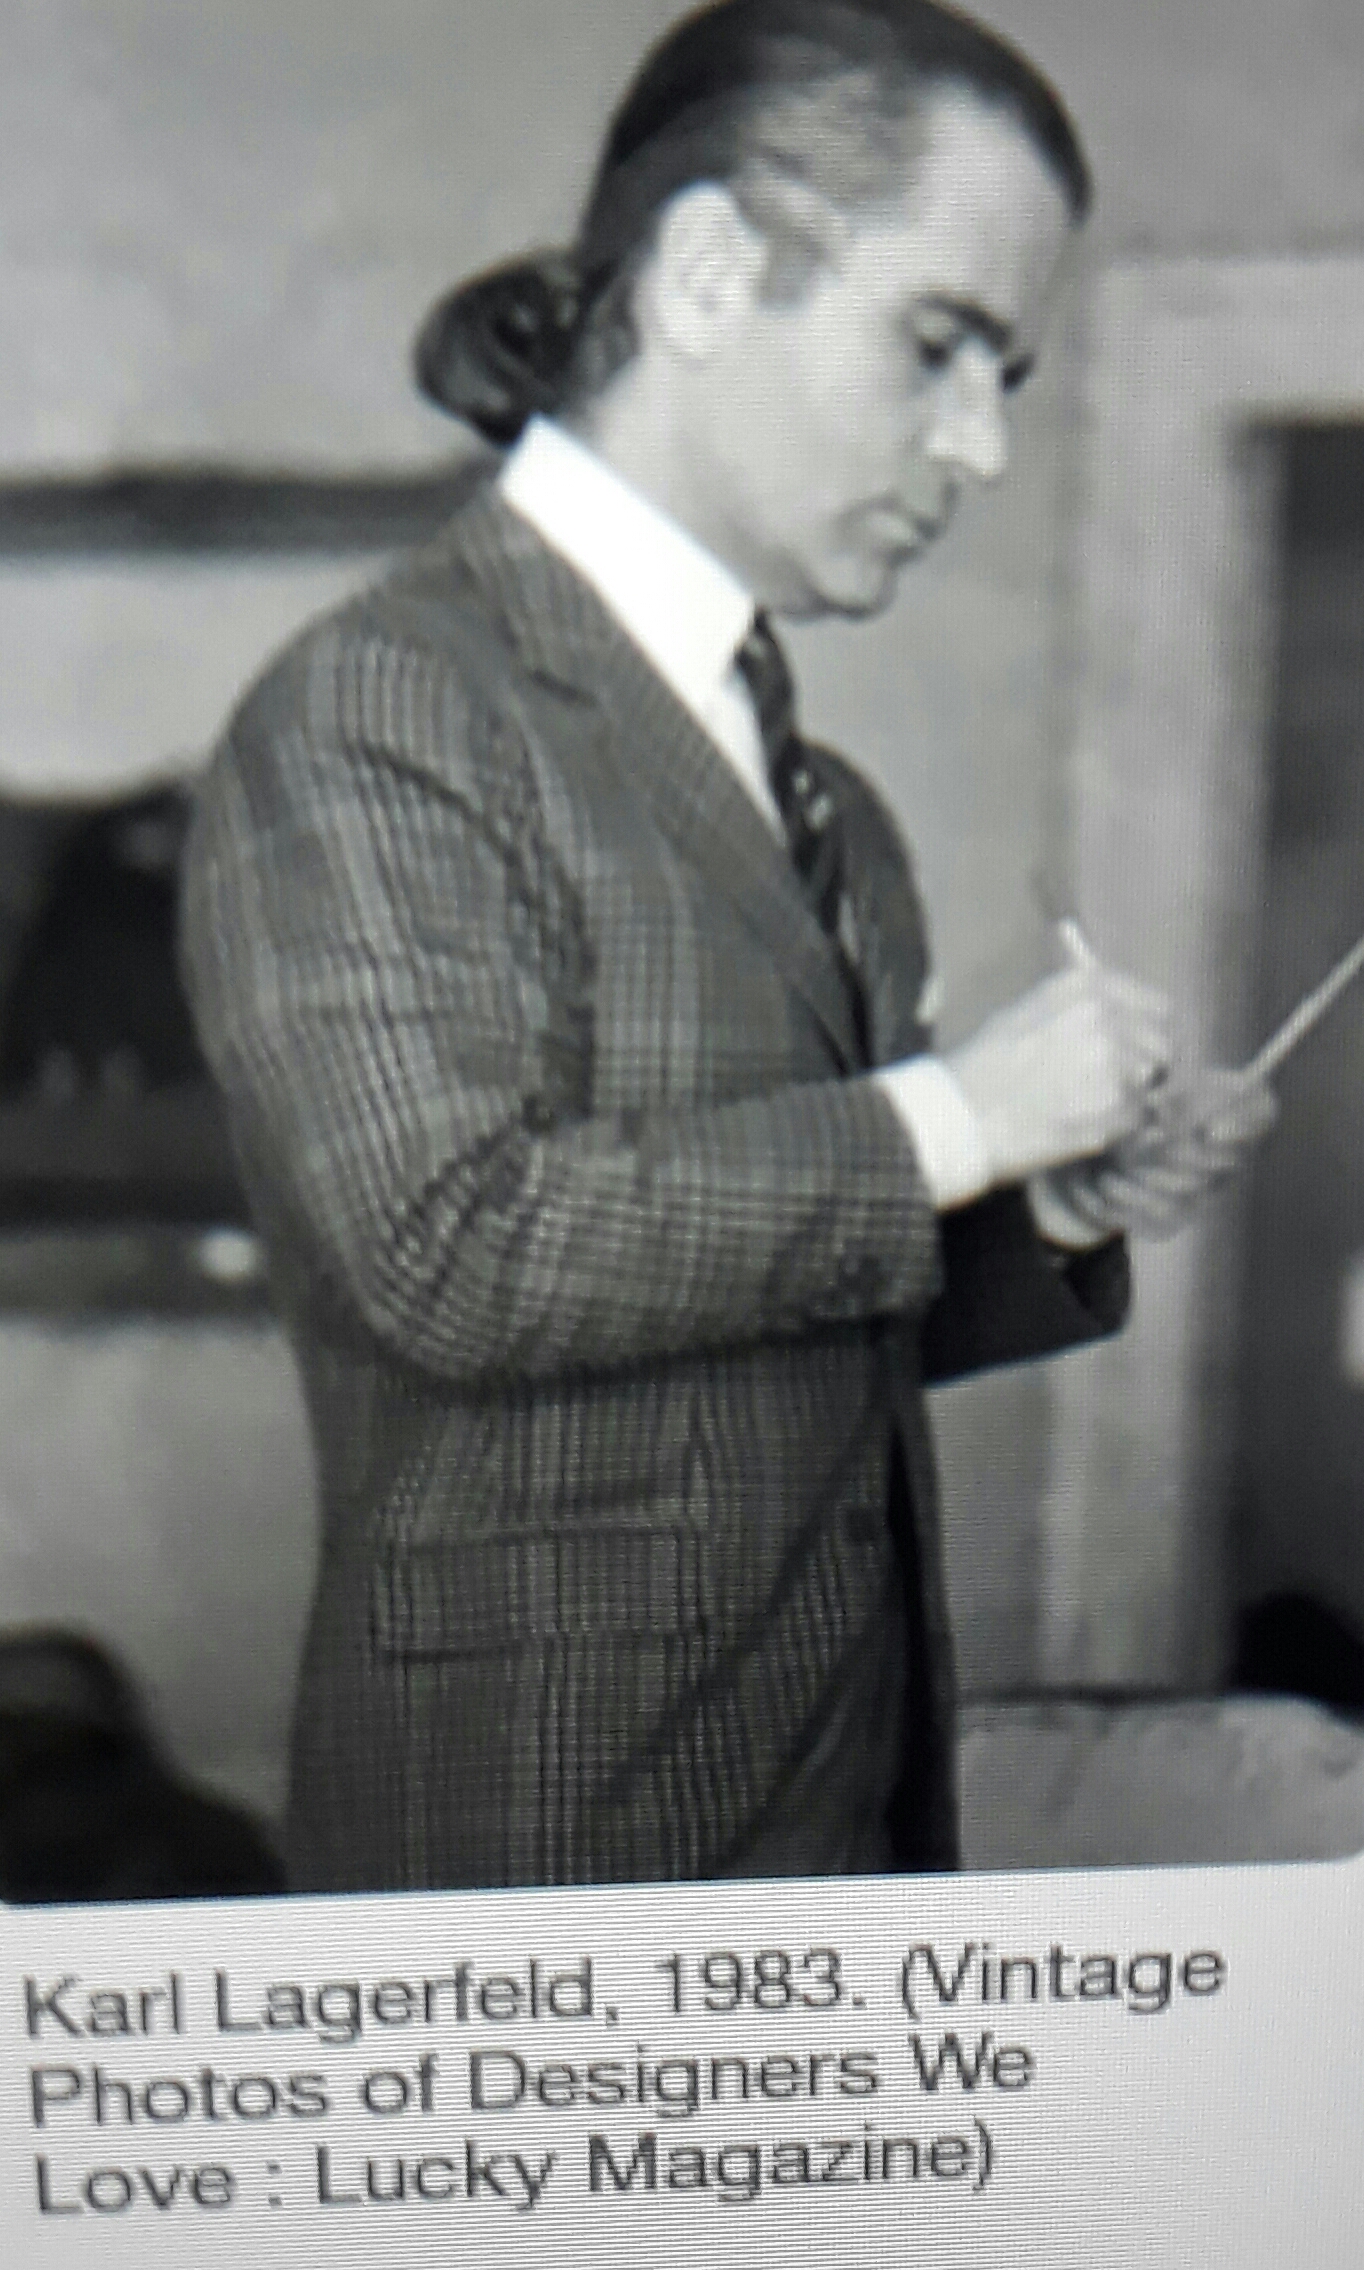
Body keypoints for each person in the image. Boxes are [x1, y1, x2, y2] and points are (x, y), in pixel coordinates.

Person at [178, 0, 1273, 1891]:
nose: (982, 447)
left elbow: (765, 1339)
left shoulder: (827, 801)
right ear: (705, 273)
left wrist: (1041, 1198)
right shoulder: (377, 707)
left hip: (841, 1855)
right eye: (937, 347)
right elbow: (443, 1250)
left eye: (1007, 377)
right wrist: (954, 1117)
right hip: (535, 1883)